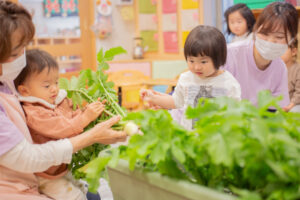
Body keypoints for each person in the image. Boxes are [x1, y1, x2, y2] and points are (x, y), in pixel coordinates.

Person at [0, 1, 126, 199]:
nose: (20, 58)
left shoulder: (7, 84)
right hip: (24, 185)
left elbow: (65, 114)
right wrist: (90, 132)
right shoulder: (32, 107)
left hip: (41, 175)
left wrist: (83, 111)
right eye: (15, 53)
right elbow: (30, 156)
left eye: (24, 49)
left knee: (93, 194)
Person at [13, 49, 106, 200]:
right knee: (75, 196)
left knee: (83, 188)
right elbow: (62, 128)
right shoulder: (34, 112)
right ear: (25, 90)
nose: (55, 89)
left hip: (61, 167)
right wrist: (86, 117)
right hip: (45, 175)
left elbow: (72, 114)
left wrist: (89, 111)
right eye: (46, 86)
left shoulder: (56, 101)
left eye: (56, 82)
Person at [141, 25, 241, 130]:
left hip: (216, 140)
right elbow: (176, 101)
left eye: (203, 61)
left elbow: (235, 115)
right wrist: (153, 98)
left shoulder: (229, 83)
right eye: (191, 61)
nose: (196, 67)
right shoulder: (186, 78)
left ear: (218, 58)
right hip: (190, 138)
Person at [222, 2, 298, 108]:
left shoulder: (280, 69)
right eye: (264, 33)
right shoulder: (229, 55)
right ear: (256, 29)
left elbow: (277, 111)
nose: (270, 41)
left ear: (291, 40)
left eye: (279, 37)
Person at [281, 39, 300, 112]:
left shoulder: (298, 69)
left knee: (295, 111)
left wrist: (288, 107)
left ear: (294, 51)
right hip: (277, 104)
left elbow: (298, 93)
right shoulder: (273, 68)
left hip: (293, 104)